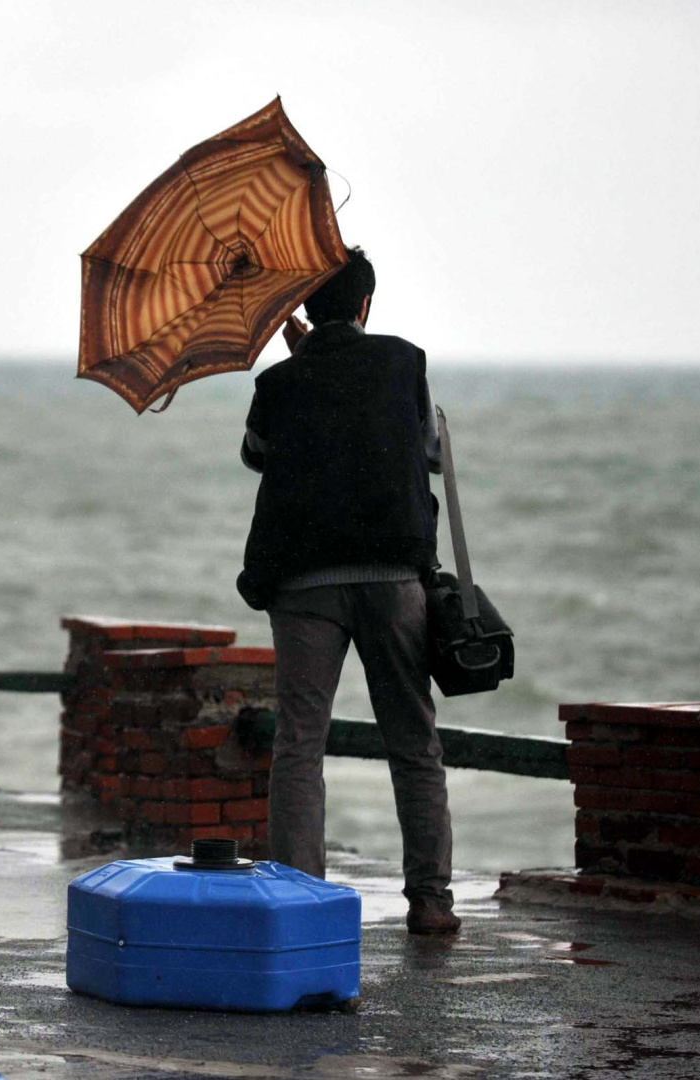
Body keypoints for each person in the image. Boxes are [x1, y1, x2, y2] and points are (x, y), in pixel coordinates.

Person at [234, 246, 460, 935]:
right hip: (394, 578)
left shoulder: (280, 384)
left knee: (300, 745)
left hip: (304, 585)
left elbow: (257, 455)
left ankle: (303, 903)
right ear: (365, 305)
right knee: (414, 743)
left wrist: (302, 368)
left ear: (303, 307)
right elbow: (425, 453)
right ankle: (430, 902)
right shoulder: (403, 363)